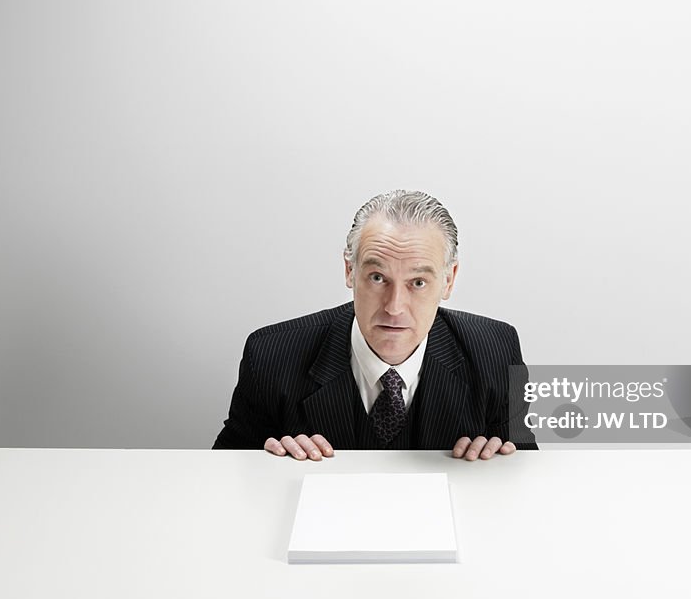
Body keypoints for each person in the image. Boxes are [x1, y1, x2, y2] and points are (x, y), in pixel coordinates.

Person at [212, 190, 536, 460]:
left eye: (418, 282)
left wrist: (501, 465)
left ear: (448, 281)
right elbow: (225, 478)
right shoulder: (270, 356)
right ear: (350, 271)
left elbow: (528, 475)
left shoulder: (498, 350)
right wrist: (265, 464)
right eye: (378, 278)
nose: (394, 307)